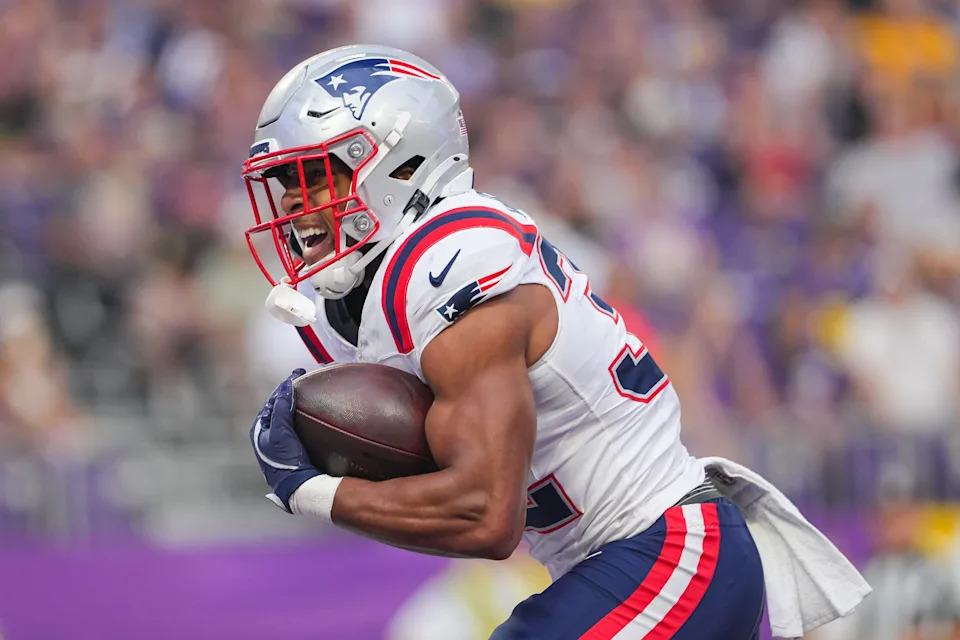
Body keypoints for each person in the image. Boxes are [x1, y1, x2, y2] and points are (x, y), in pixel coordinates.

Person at [244, 45, 866, 639]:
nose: (298, 209)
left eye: (317, 178)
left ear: (398, 163)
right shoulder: (374, 296)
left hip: (667, 551)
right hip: (627, 563)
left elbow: (486, 515)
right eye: (288, 187)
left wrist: (312, 492)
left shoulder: (444, 265)